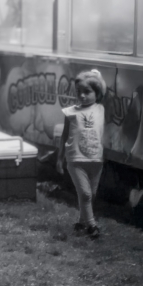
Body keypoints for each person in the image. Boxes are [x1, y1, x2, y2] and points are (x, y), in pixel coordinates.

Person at [58, 69, 106, 239]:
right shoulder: (70, 112)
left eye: (87, 92)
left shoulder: (100, 109)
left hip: (96, 159)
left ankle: (81, 222)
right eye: (79, 92)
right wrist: (59, 158)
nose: (82, 96)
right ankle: (92, 226)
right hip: (75, 159)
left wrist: (96, 76)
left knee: (91, 195)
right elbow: (64, 135)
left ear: (97, 93)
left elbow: (104, 89)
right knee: (85, 194)